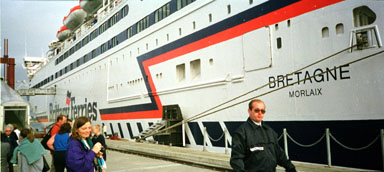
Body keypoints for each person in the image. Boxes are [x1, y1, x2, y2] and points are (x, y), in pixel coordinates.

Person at [230, 99, 296, 172]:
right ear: (249, 111)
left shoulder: (270, 131)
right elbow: (236, 159)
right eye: (256, 110)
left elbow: (279, 154)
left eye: (262, 111)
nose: (260, 113)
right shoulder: (241, 133)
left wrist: (290, 168)